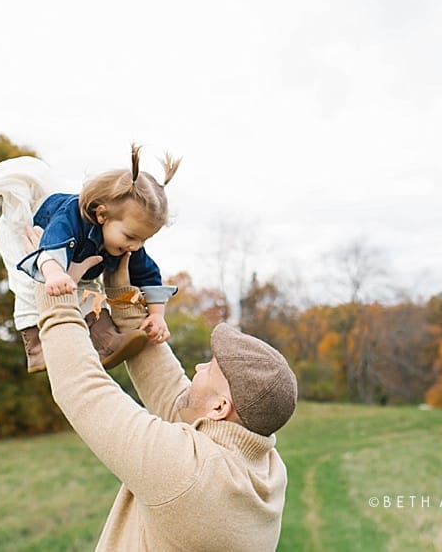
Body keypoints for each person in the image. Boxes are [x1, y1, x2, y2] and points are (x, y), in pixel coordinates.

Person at [27, 225, 298, 551]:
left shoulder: (188, 474)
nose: (196, 368)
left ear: (220, 408)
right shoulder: (266, 468)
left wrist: (51, 283)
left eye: (208, 369)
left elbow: (82, 388)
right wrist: (123, 298)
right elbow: (173, 394)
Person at [0, 144, 180, 373]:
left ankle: (107, 342)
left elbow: (148, 275)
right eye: (131, 236)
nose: (136, 246)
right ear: (101, 215)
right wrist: (53, 273)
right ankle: (36, 348)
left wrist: (157, 315)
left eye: (144, 240)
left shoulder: (129, 241)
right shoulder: (69, 219)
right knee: (30, 287)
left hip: (77, 261)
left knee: (90, 294)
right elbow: (51, 244)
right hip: (33, 238)